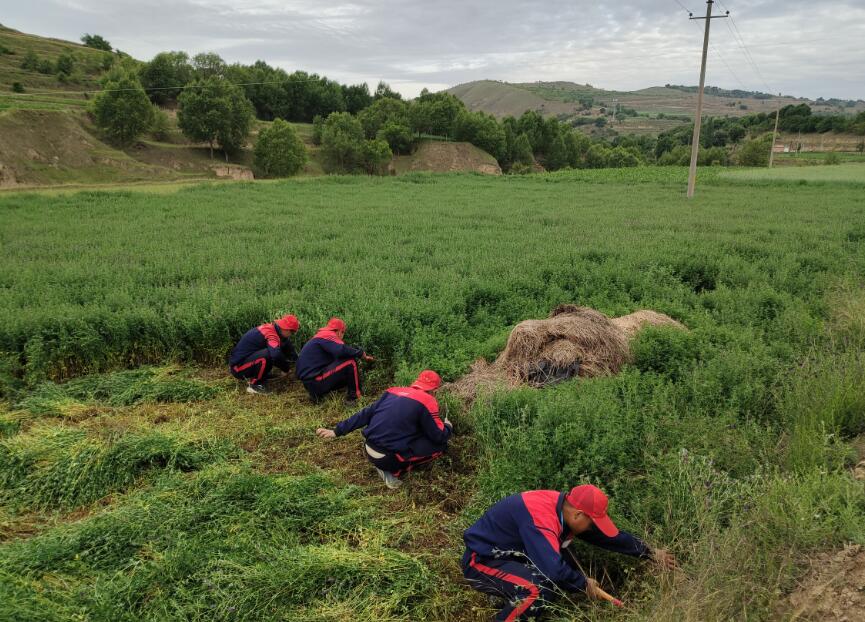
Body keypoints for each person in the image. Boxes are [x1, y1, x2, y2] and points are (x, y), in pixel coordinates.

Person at [462, 484, 678, 621]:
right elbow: (554, 572)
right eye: (592, 522)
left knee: (562, 571)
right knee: (536, 590)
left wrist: (649, 552)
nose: (593, 528)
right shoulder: (542, 520)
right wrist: (584, 584)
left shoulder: (565, 508)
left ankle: (507, 598)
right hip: (481, 561)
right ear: (579, 515)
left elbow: (606, 537)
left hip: (513, 556)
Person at [315, 370, 451, 489]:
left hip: (368, 448)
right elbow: (438, 435)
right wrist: (448, 427)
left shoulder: (393, 391)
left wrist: (336, 431)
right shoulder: (428, 400)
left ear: (416, 382)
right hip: (387, 458)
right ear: (435, 390)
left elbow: (365, 414)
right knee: (441, 446)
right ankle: (393, 471)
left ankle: (385, 463)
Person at [296, 317, 373, 404]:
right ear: (339, 332)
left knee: (342, 364)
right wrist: (360, 353)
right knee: (350, 362)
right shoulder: (329, 335)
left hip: (310, 384)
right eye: (343, 333)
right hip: (315, 382)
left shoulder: (321, 336)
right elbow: (342, 350)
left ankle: (316, 395)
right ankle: (354, 397)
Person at [229, 314, 300, 395]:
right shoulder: (271, 335)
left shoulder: (275, 330)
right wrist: (286, 369)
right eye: (292, 332)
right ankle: (255, 385)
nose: (292, 334)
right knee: (269, 353)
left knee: (276, 348)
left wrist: (297, 364)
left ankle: (261, 377)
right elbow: (275, 355)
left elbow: (289, 349)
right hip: (238, 368)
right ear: (287, 329)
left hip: (247, 361)